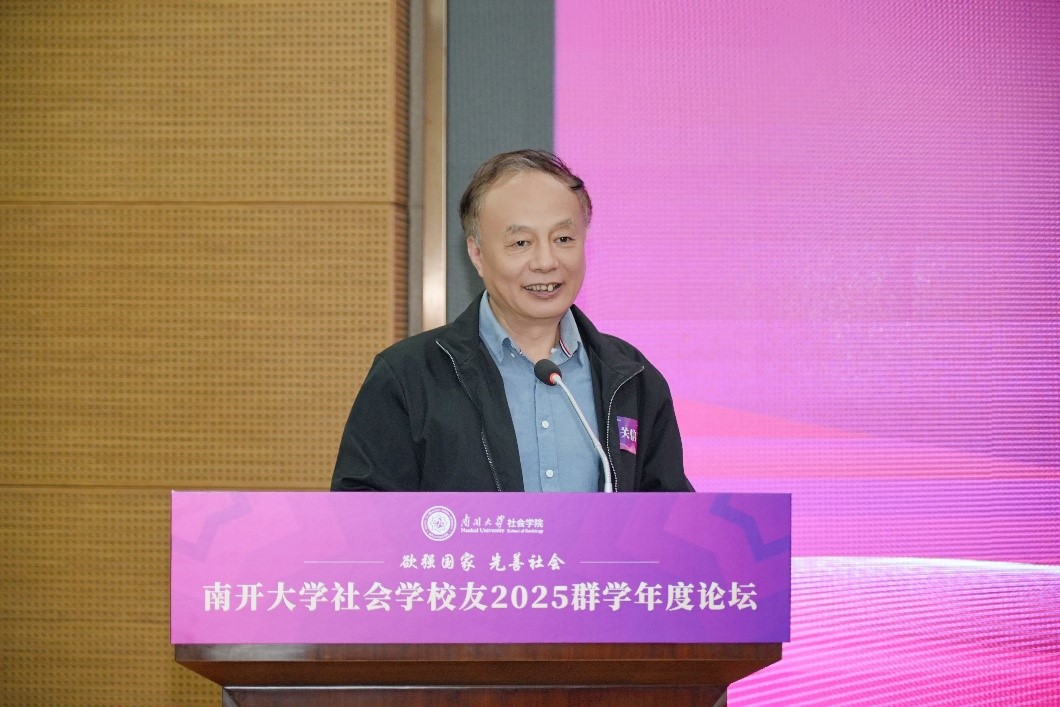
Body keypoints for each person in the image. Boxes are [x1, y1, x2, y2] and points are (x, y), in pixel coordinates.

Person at [332, 149, 692, 492]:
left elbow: (672, 518)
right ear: (477, 253)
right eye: (521, 243)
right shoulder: (408, 376)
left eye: (563, 238)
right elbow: (364, 518)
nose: (546, 262)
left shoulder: (631, 377)